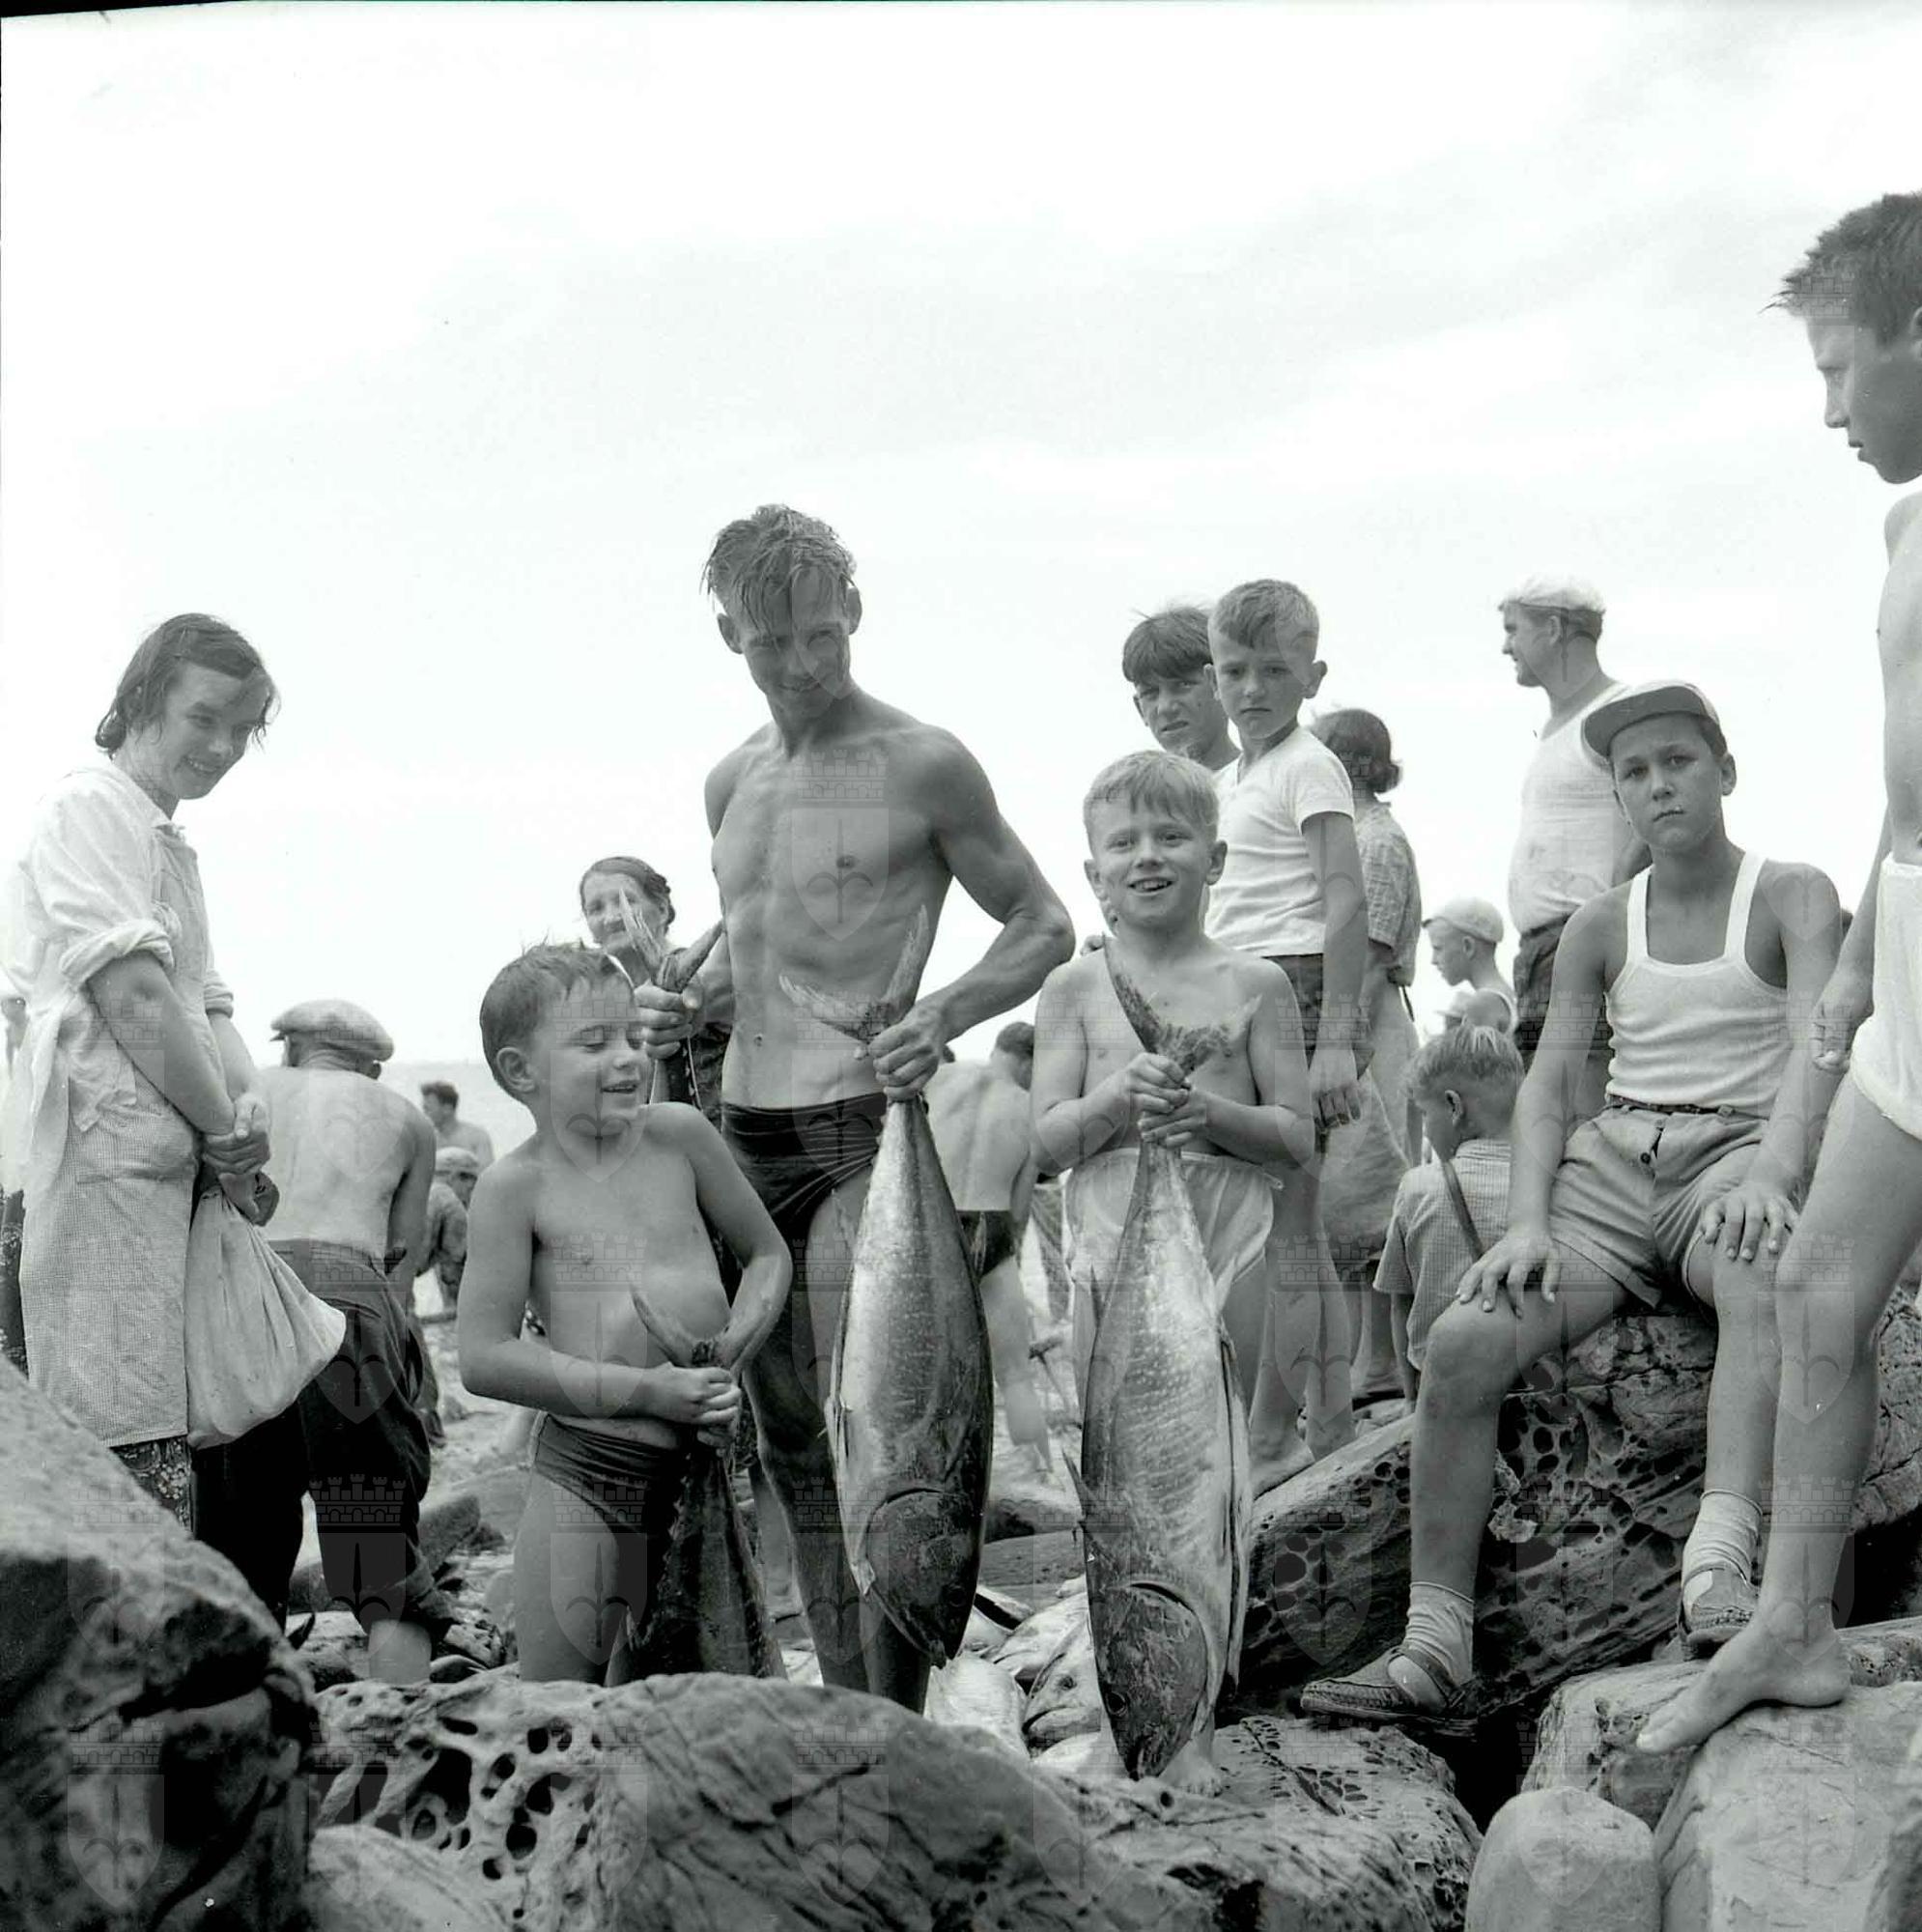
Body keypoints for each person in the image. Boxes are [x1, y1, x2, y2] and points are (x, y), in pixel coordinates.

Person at [1300, 684, 1841, 1734]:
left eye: (1678, 761)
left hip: (1733, 1152)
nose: (1658, 785)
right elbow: (1548, 1085)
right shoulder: (1601, 923)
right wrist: (1529, 1222)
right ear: (1617, 800)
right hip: (1616, 1167)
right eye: (1634, 772)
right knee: (1461, 1342)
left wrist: (1776, 1172)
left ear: (1725, 771)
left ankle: (1717, 1567)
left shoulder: (1792, 895)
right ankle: (1435, 1643)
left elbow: (1817, 1045)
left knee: (1759, 1274)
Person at [634, 504, 1073, 1712]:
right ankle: (847, 1705)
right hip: (740, 1134)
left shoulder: (922, 761)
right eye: (773, 642)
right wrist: (683, 1006)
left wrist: (945, 1011)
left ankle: (899, 1717)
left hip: (860, 1133)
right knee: (784, 1437)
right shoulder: (730, 778)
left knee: (873, 1427)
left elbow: (1042, 921)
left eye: (823, 634)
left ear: (857, 614)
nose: (804, 664)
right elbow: (764, 946)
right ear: (729, 636)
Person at [1637, 193, 1922, 1754]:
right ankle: (1794, 1622)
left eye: (1838, 368)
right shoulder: (1903, 527)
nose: (1827, 412)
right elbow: (1905, 779)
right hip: (1917, 929)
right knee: (1818, 1285)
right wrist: (1864, 957)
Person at [0, 614, 276, 1524]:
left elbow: (207, 1006)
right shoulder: (89, 806)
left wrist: (248, 1114)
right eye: (204, 718)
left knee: (143, 1428)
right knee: (104, 1438)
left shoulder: (160, 837)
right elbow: (137, 999)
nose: (224, 747)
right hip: (87, 1173)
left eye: (243, 729)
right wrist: (224, 1135)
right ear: (142, 701)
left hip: (146, 1177)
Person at [459, 944, 791, 1686]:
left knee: (702, 1701)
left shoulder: (680, 1135)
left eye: (634, 1037)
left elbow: (767, 1255)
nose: (628, 1058)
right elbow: (483, 1357)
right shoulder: (513, 1187)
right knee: (560, 1707)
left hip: (699, 1463)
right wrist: (651, 1391)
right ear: (520, 1072)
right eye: (594, 1043)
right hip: (588, 1474)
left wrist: (732, 1351)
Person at [189, 997, 483, 1683]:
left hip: (245, 1297)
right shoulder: (409, 1121)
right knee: (378, 1546)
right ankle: (396, 1712)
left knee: (238, 1533)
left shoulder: (248, 1092)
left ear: (290, 1047)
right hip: (350, 1298)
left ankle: (250, 1705)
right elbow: (399, 1263)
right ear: (372, 1068)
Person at [1032, 751, 1314, 1421]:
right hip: (1110, 1229)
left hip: (1229, 1229)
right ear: (1095, 875)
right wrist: (1117, 1097)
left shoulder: (1259, 984)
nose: (1147, 857)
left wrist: (1206, 1112)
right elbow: (1044, 1147)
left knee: (1224, 1426)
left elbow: (1296, 1137)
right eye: (1123, 843)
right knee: (1116, 1431)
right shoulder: (1072, 988)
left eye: (1171, 837)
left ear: (1214, 860)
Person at [1203, 581, 1367, 1484]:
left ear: (1314, 676)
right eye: (1235, 671)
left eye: (1274, 670)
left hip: (1297, 989)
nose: (1253, 688)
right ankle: (1330, 1418)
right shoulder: (1231, 781)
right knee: (1289, 1229)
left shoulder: (1311, 765)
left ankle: (1271, 1433)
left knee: (1288, 1231)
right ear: (1215, 677)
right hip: (1240, 994)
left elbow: (1345, 902)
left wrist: (1337, 1037)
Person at [1501, 574, 1643, 1118]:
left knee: (1579, 1118)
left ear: (1555, 628)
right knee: (1549, 1120)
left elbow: (1648, 828)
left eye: (1514, 629)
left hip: (1582, 940)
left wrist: (1606, 918)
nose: (1506, 646)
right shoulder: (1557, 727)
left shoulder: (1617, 711)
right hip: (1544, 950)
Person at [1312, 707, 1421, 1402]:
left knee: (1373, 1193)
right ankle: (1364, 1357)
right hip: (1358, 1027)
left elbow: (1372, 959)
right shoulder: (1358, 836)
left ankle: (1379, 1358)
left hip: (1369, 1030)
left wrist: (1341, 1045)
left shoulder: (1375, 841)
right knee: (1350, 1195)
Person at [1371, 1026, 1522, 1407]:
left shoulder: (1418, 1188)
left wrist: (1412, 1401)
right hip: (1534, 1385)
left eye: (1425, 1114)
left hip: (1443, 1394)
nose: (1425, 1128)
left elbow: (1400, 1304)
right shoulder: (1554, 1181)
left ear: (1454, 1106)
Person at [926, 1021, 1052, 1472]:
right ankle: (1043, 1475)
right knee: (1016, 1376)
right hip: (992, 1224)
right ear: (1029, 1063)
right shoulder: (1034, 1111)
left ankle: (940, 1472)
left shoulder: (941, 1077)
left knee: (931, 1373)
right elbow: (1019, 1210)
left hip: (935, 1222)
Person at [579, 855, 730, 1124]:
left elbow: (711, 1000)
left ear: (662, 909)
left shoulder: (708, 976)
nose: (611, 917)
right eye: (596, 908)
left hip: (719, 1143)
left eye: (626, 902)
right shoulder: (619, 1004)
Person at [1123, 605, 1238, 773]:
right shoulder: (1134, 789)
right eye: (1150, 693)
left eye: (1183, 685)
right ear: (1140, 710)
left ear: (1219, 685)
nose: (1165, 708)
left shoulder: (1269, 778)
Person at [1425, 897, 1518, 1034]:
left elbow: (1468, 1049)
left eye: (1438, 948)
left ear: (1468, 946)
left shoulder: (1482, 1004)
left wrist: (1451, 1030)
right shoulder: (1506, 994)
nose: (1433, 960)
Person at [419, 1079, 495, 1171]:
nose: (424, 1114)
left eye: (428, 1109)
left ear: (447, 1109)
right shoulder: (425, 1142)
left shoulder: (477, 1136)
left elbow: (487, 1174)